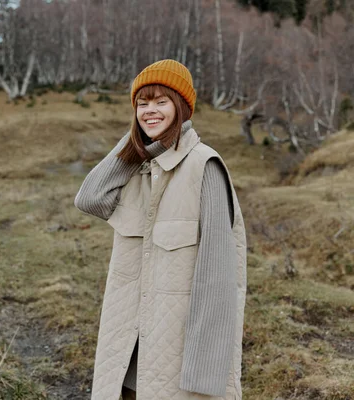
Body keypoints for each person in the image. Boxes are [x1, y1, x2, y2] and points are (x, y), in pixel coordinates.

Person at [74, 59, 247, 400]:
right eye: (142, 104)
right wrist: (137, 141)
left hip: (175, 357)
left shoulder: (204, 166)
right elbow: (90, 198)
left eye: (161, 102)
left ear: (181, 108)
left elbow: (219, 280)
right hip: (126, 352)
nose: (150, 110)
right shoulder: (139, 169)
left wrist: (204, 374)